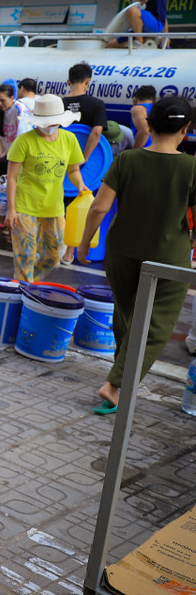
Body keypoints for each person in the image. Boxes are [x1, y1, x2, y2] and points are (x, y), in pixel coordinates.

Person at [77, 97, 196, 414]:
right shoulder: (191, 167)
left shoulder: (126, 159)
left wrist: (84, 243)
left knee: (126, 319)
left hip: (122, 252)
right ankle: (115, 385)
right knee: (156, 325)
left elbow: (99, 207)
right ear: (186, 128)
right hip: (168, 258)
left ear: (150, 125)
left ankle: (115, 389)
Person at [5, 95, 87, 283]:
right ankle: (24, 287)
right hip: (24, 206)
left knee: (54, 254)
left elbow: (73, 170)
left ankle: (29, 283)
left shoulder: (69, 139)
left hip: (54, 207)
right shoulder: (24, 141)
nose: (50, 125)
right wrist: (11, 210)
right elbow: (12, 177)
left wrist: (80, 184)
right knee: (25, 256)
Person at [61, 62, 107, 264]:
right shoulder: (96, 104)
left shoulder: (60, 103)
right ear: (88, 81)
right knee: (79, 203)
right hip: (87, 168)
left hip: (58, 159)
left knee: (57, 202)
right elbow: (96, 133)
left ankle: (51, 244)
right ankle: (68, 253)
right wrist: (84, 158)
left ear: (68, 81)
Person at [0, 83, 26, 176]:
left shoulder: (18, 109)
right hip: (6, 154)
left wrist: (7, 153)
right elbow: (0, 137)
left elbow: (21, 136)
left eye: (3, 100)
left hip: (18, 154)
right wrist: (0, 152)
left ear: (12, 98)